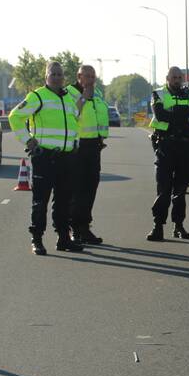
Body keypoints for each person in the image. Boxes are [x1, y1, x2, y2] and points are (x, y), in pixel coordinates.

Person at [8, 61, 84, 255]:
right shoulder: (38, 96)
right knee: (40, 201)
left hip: (66, 158)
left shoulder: (68, 98)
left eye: (60, 74)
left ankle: (63, 238)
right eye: (53, 74)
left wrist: (75, 143)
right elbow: (15, 117)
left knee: (64, 201)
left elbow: (73, 123)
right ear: (46, 76)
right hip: (45, 157)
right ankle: (37, 239)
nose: (57, 77)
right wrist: (28, 140)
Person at [146, 66, 189, 241]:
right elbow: (160, 115)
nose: (177, 80)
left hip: (185, 147)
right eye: (174, 77)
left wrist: (174, 113)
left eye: (179, 77)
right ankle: (157, 226)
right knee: (163, 190)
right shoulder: (158, 94)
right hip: (166, 146)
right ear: (167, 78)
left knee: (180, 191)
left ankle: (179, 226)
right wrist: (182, 116)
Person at [66, 64, 110, 246]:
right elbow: (71, 115)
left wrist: (101, 137)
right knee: (77, 189)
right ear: (79, 77)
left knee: (91, 188)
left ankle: (84, 227)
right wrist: (83, 98)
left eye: (93, 77)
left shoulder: (97, 93)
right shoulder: (69, 93)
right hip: (77, 146)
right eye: (87, 76)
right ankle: (74, 229)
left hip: (94, 146)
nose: (91, 80)